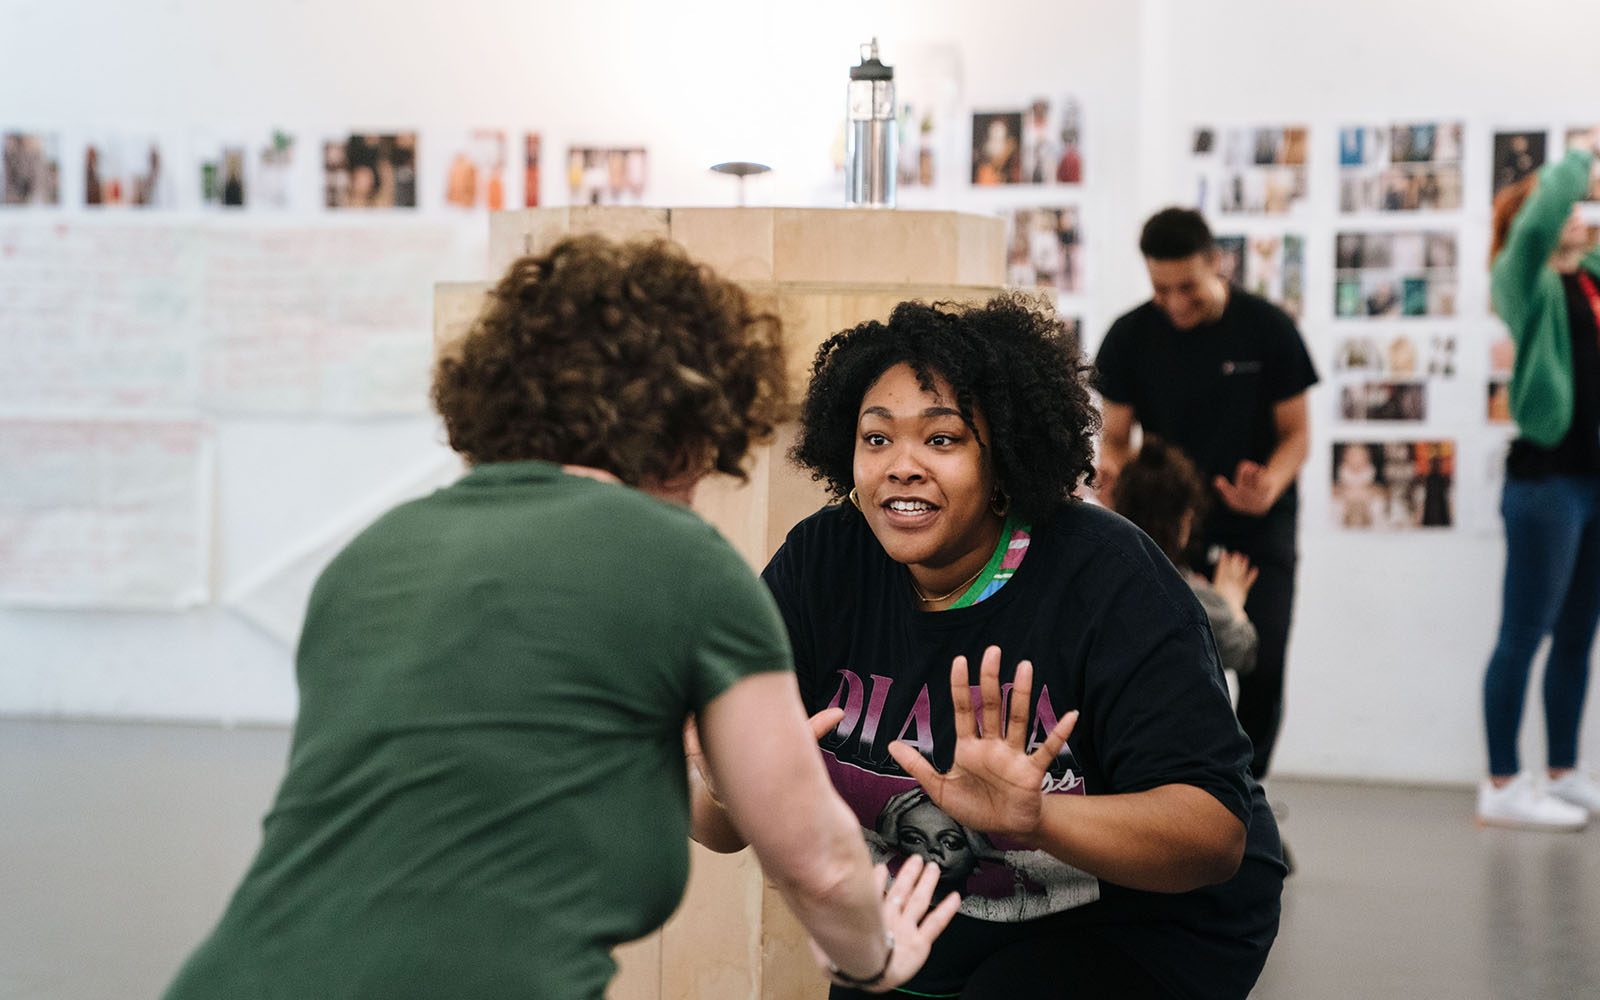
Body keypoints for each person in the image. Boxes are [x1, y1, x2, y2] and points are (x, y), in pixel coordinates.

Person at [162, 236, 959, 999]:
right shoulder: (681, 561)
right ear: (688, 429)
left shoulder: (375, 554)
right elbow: (816, 861)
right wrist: (872, 955)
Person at [706, 295, 1284, 998]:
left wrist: (1039, 818)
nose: (902, 466)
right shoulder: (822, 563)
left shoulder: (1108, 575)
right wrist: (712, 771)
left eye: (942, 439)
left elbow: (1212, 835)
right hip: (943, 910)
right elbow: (721, 826)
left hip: (1144, 920)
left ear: (1005, 457)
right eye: (877, 438)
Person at [1096, 207, 1317, 782]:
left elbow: (1297, 434)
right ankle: (1187, 786)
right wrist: (1112, 476)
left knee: (1262, 664)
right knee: (1172, 658)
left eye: (1187, 286)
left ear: (1216, 263)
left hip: (1257, 522)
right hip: (1168, 525)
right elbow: (1115, 439)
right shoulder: (1129, 336)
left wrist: (1269, 483)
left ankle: (1248, 793)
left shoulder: (1267, 328)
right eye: (1160, 288)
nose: (1174, 302)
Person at [1477, 133, 1600, 830]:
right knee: (1524, 632)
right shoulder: (1523, 281)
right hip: (1547, 483)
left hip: (1591, 479)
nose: (1579, 211)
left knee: (1579, 634)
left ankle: (1560, 771)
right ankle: (1500, 782)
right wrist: (1579, 156)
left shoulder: (1589, 275)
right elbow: (1539, 216)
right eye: (1567, 206)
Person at [1109, 436, 1258, 678]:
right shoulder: (1191, 595)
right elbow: (1242, 649)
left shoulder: (1109, 585)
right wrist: (1232, 602)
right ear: (1184, 521)